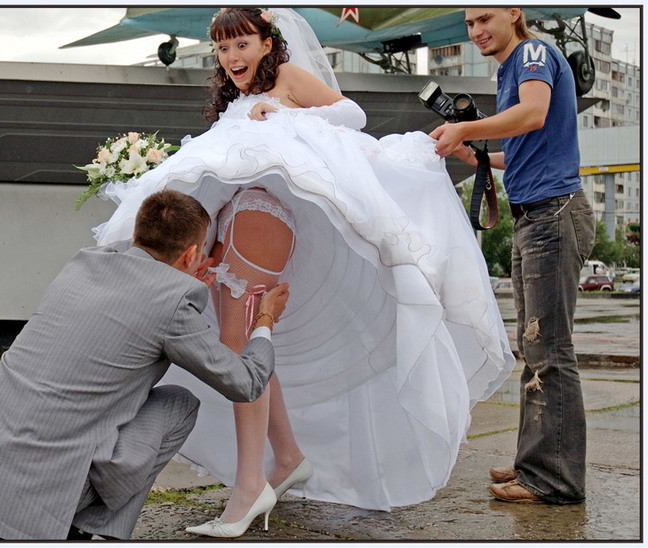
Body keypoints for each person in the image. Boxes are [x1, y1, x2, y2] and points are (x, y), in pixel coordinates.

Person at [93, 7, 515, 537]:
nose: (232, 57)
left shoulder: (287, 79)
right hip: (237, 215)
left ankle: (249, 489)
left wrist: (285, 114)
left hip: (265, 213)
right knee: (239, 342)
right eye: (223, 49)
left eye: (242, 44)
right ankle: (286, 456)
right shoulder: (235, 99)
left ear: (268, 44)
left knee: (236, 342)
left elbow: (350, 114)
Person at [0, 189, 290, 540]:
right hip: (39, 475)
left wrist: (178, 285)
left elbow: (137, 298)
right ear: (191, 255)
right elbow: (246, 382)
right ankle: (84, 526)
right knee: (179, 403)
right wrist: (264, 320)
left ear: (139, 234)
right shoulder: (172, 304)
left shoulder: (84, 262)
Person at [430, 8, 595, 504]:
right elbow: (525, 144)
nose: (477, 30)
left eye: (485, 18)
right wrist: (480, 156)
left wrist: (466, 132)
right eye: (469, 24)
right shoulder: (511, 67)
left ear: (514, 14)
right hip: (535, 216)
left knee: (550, 349)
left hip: (552, 215)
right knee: (536, 346)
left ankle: (555, 480)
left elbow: (534, 114)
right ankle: (535, 465)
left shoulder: (534, 52)